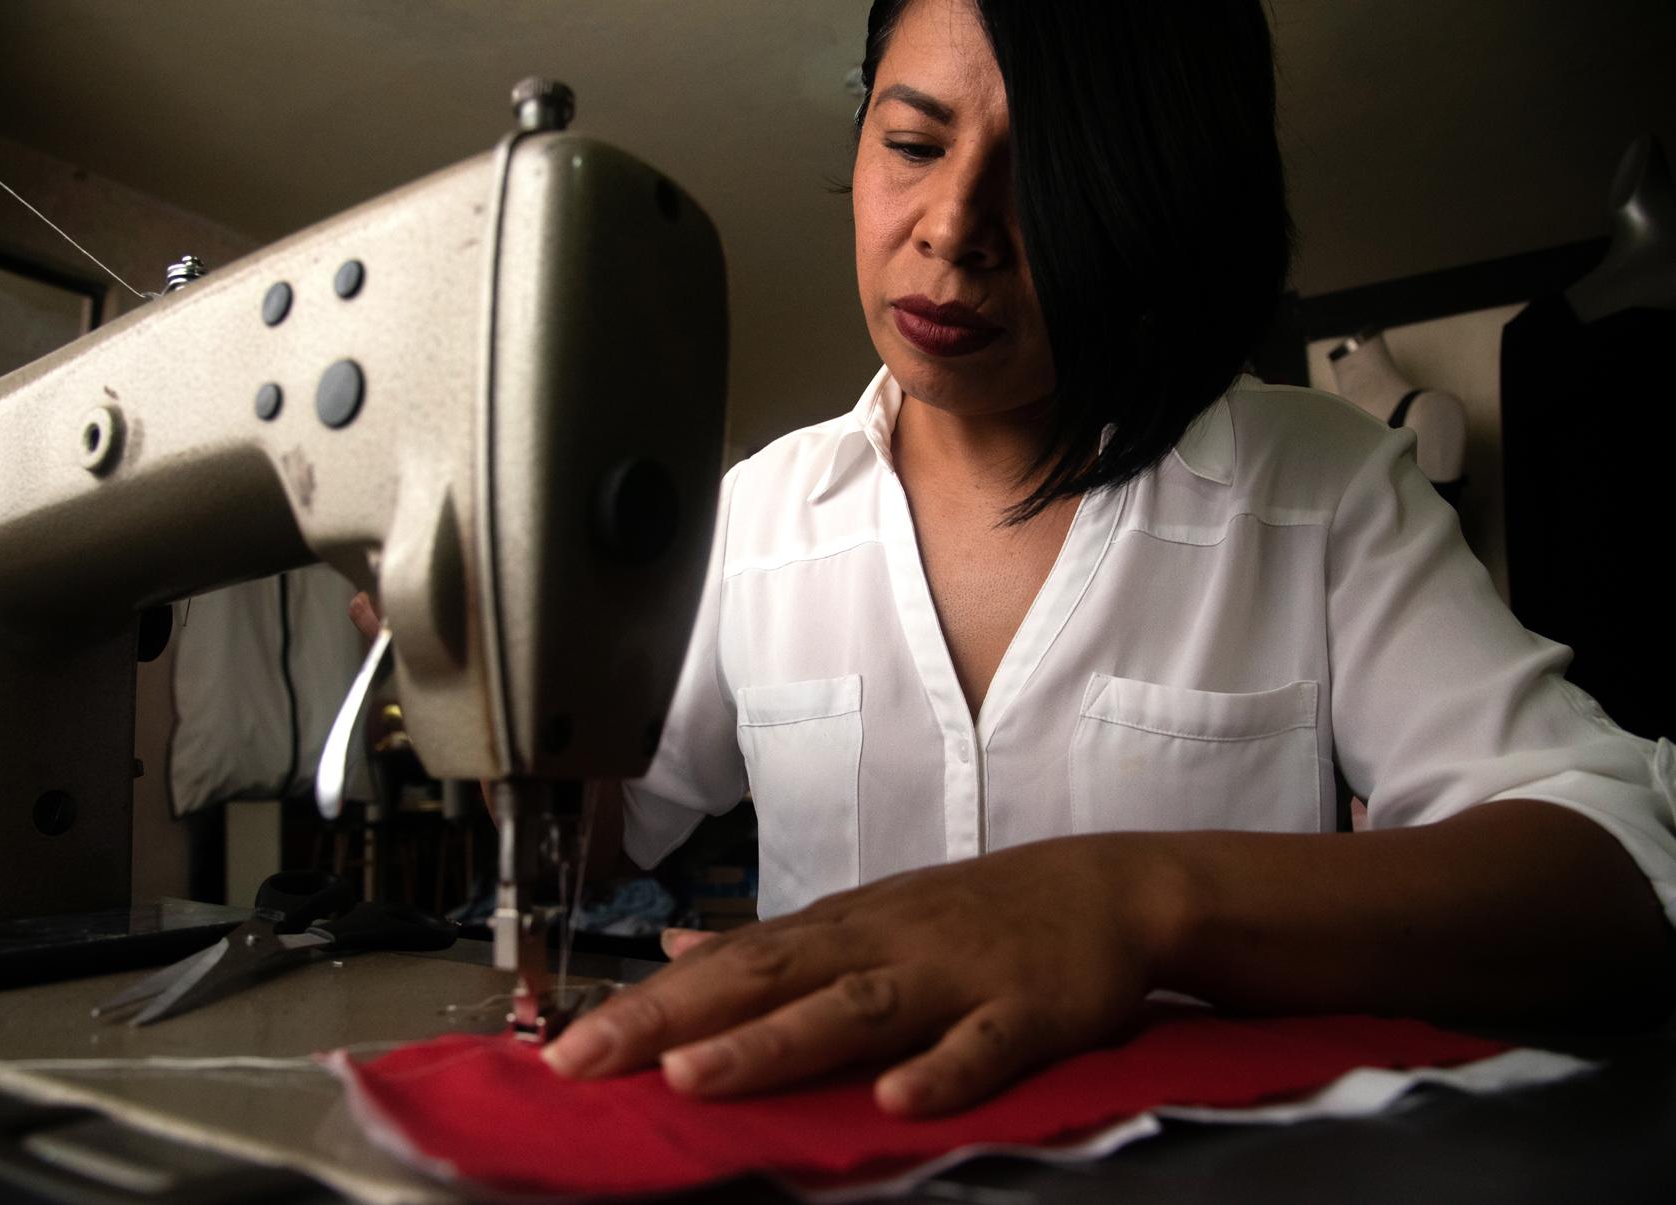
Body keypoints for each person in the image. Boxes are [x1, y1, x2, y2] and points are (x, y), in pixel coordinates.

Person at [358, 0, 1676, 1117]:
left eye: (1043, 175)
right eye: (912, 140)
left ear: (1152, 204)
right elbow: (582, 845)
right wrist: (476, 658)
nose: (950, 227)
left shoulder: (1315, 488)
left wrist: (1134, 895)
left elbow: (1620, 867)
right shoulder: (753, 520)